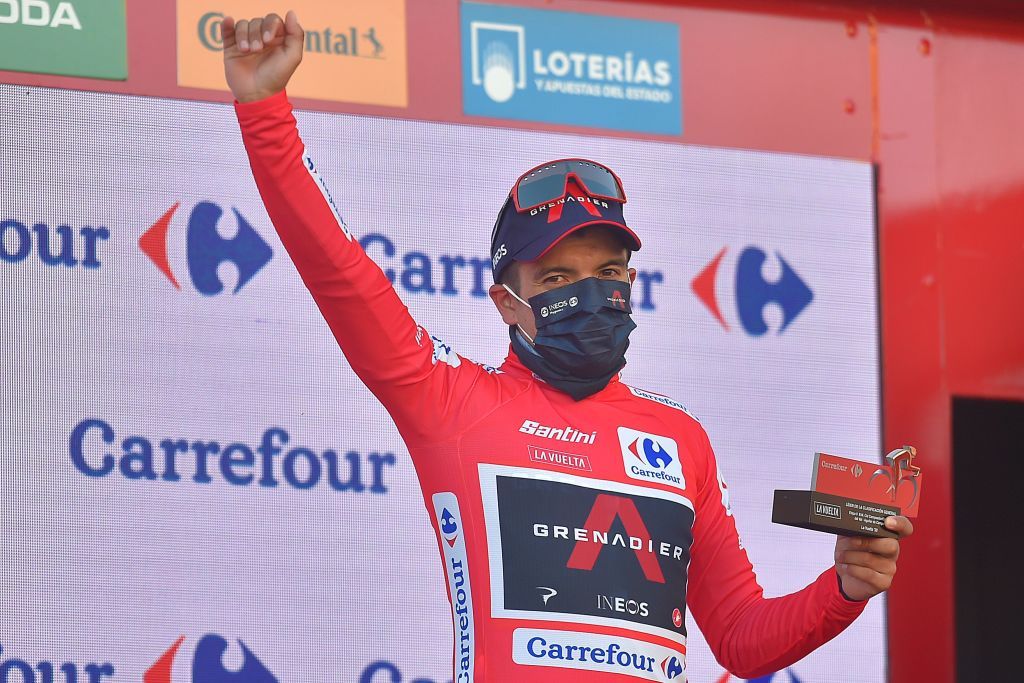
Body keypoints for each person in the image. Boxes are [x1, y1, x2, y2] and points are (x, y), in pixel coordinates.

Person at [222, 11, 913, 681]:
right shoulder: (452, 402)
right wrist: (265, 112)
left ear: (633, 281)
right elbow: (339, 270)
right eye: (557, 276)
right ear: (506, 303)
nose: (590, 293)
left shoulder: (681, 441)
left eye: (608, 273)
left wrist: (843, 588)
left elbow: (740, 635)